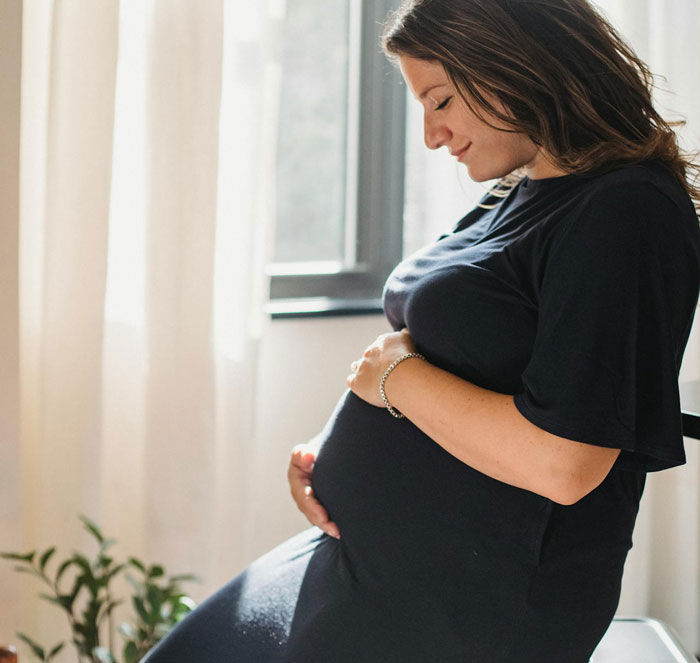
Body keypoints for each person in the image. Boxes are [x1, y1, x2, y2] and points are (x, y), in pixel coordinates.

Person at [142, 1, 700, 661]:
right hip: (373, 562)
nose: (433, 136)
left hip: (469, 604)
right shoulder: (521, 192)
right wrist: (331, 452)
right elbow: (462, 346)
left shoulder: (622, 210)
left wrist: (393, 375)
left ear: (514, 64)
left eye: (439, 100)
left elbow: (567, 462)